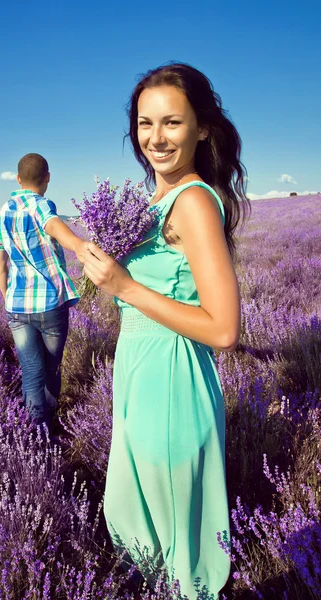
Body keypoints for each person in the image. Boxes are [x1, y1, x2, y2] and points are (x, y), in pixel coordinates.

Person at [82, 63, 250, 598]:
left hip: (173, 386)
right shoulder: (152, 200)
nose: (156, 138)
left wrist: (124, 286)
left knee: (179, 547)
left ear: (202, 128)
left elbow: (223, 330)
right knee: (146, 534)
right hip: (139, 377)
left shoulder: (195, 201)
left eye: (172, 123)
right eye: (144, 123)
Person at [0, 153, 87, 430]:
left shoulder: (1, 214)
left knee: (31, 371)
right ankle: (49, 419)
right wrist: (79, 245)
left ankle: (36, 431)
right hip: (49, 303)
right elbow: (53, 225)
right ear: (47, 178)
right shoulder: (42, 205)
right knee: (50, 368)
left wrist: (8, 298)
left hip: (17, 307)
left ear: (18, 179)